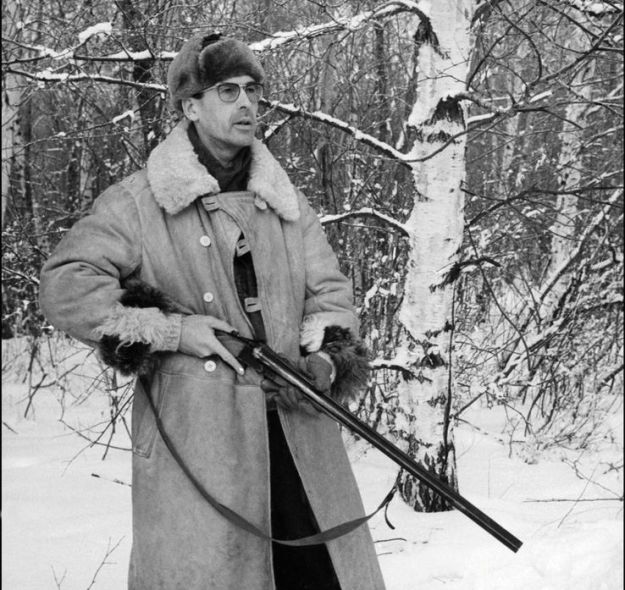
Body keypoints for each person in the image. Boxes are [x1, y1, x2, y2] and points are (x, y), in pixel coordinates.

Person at [39, 32, 386, 590]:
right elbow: (65, 286)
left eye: (252, 89)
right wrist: (174, 331)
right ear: (191, 106)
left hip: (296, 433)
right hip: (199, 440)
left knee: (320, 575)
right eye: (228, 91)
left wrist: (322, 363)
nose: (246, 103)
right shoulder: (138, 202)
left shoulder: (286, 203)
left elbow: (331, 298)